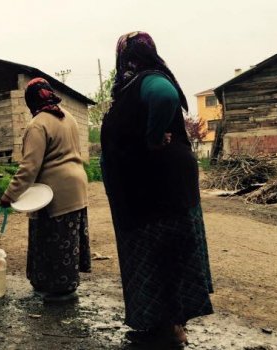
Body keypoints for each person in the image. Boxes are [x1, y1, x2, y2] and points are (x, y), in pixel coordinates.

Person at [100, 31, 213, 347]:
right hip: (144, 193)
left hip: (157, 193)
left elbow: (164, 96)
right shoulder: (129, 90)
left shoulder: (149, 79)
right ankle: (157, 323)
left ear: (125, 57)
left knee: (163, 254)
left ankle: (171, 327)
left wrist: (151, 139)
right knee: (153, 255)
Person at [0, 78, 91, 302]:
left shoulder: (37, 125)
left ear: (31, 100)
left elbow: (29, 167)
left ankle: (55, 291)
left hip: (54, 193)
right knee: (68, 242)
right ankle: (67, 287)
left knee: (53, 241)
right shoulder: (67, 117)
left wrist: (9, 195)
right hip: (77, 186)